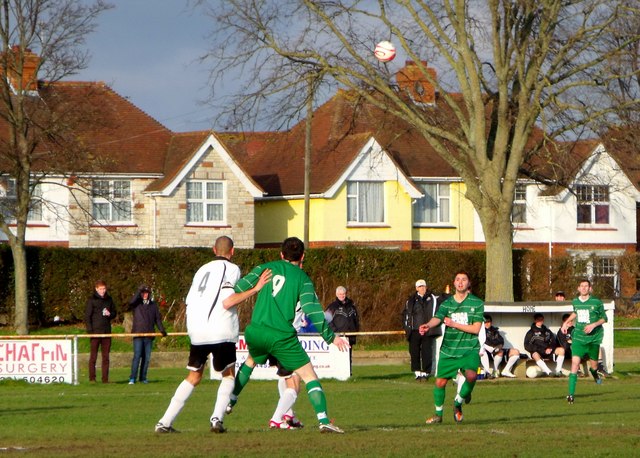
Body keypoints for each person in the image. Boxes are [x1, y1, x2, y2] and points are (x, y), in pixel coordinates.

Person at [222, 236, 350, 433]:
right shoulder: (302, 279)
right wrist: (331, 337)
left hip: (255, 331)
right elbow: (312, 310)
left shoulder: (266, 268)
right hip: (281, 335)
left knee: (250, 362)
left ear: (281, 254)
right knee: (309, 376)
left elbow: (239, 288)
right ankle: (324, 420)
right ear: (303, 256)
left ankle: (231, 400)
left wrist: (257, 285)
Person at [155, 236, 270, 434]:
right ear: (232, 251)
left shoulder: (201, 270)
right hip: (220, 329)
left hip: (197, 330)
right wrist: (256, 288)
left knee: (194, 376)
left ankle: (164, 422)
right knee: (228, 375)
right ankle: (217, 419)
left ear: (213, 250)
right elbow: (228, 301)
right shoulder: (231, 269)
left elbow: (190, 300)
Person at [419, 270, 484, 424]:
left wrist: (454, 324)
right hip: (449, 349)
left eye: (464, 279)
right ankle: (438, 415)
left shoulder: (477, 303)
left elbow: (475, 329)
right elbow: (438, 318)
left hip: (469, 348)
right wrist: (428, 325)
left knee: (471, 376)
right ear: (454, 283)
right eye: (457, 279)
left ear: (468, 283)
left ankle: (457, 404)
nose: (460, 282)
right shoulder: (447, 304)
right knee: (440, 382)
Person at [561, 279, 607, 404]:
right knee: (575, 364)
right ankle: (570, 395)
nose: (584, 288)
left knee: (594, 366)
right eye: (582, 286)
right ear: (578, 288)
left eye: (586, 286)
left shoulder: (596, 302)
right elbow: (575, 312)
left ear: (590, 288)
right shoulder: (575, 301)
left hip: (593, 339)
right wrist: (566, 322)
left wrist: (593, 325)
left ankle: (595, 373)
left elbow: (604, 318)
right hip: (579, 338)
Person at [403, 279, 441, 381]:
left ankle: (426, 372)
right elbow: (406, 315)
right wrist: (407, 329)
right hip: (415, 330)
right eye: (420, 287)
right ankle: (417, 372)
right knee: (414, 351)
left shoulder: (432, 298)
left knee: (427, 351)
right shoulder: (410, 300)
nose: (422, 288)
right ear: (416, 288)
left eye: (423, 286)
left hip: (427, 329)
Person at [128, 285, 167, 384]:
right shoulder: (137, 304)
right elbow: (131, 302)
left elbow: (157, 319)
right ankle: (132, 378)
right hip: (138, 334)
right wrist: (139, 290)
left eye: (146, 293)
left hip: (149, 335)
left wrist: (162, 330)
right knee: (137, 356)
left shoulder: (153, 305)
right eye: (143, 293)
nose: (145, 295)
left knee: (147, 358)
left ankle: (143, 378)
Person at [84, 279, 117, 384]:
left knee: (106, 357)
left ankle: (105, 379)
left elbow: (114, 313)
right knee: (93, 356)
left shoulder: (109, 299)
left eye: (104, 288)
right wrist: (90, 331)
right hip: (95, 332)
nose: (103, 291)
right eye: (100, 289)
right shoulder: (91, 300)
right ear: (96, 289)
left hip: (107, 332)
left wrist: (109, 314)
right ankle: (92, 378)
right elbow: (87, 316)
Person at [325, 286, 360, 372]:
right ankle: (338, 373)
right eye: (340, 294)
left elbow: (356, 320)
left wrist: (356, 330)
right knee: (338, 357)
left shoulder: (352, 306)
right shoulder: (332, 306)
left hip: (350, 336)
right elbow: (326, 320)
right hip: (338, 337)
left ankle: (349, 373)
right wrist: (335, 332)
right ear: (336, 294)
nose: (342, 295)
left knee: (349, 356)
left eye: (343, 294)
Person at [480, 314, 521, 378]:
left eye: (488, 322)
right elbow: (486, 342)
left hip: (496, 349)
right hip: (485, 352)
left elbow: (501, 340)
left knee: (516, 352)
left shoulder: (495, 330)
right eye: (485, 322)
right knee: (500, 352)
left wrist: (499, 345)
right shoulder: (480, 331)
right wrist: (496, 344)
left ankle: (506, 371)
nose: (487, 324)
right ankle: (495, 371)